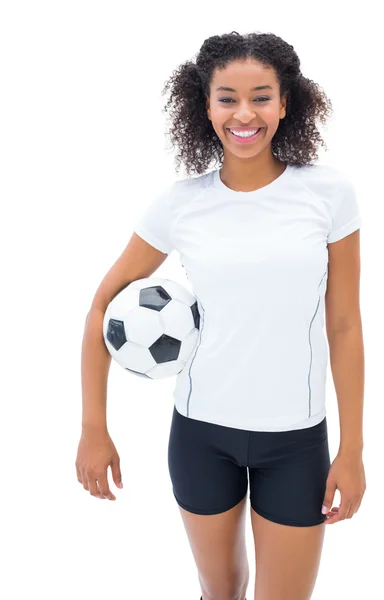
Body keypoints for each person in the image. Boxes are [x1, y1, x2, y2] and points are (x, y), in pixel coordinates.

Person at [76, 31, 366, 600]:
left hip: (296, 441)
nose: (244, 113)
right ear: (204, 105)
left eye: (262, 96)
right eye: (227, 97)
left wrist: (352, 449)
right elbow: (99, 309)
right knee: (220, 591)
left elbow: (346, 325)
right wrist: (93, 427)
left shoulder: (329, 195)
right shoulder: (182, 203)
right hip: (201, 436)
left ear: (287, 103)